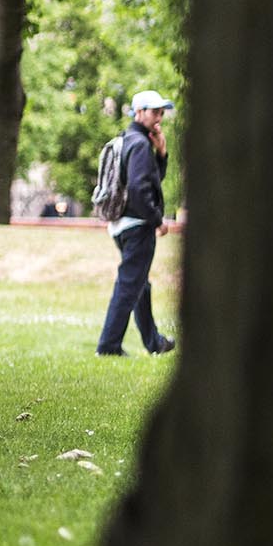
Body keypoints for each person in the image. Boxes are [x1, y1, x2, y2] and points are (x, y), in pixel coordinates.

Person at [97, 91, 177, 358]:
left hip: (121, 224)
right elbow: (140, 190)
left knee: (140, 285)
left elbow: (149, 180)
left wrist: (162, 153)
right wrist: (158, 220)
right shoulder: (139, 144)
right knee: (129, 285)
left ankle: (155, 343)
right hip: (138, 225)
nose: (159, 118)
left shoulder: (129, 140)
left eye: (162, 112)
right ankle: (108, 347)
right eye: (154, 112)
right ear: (139, 112)